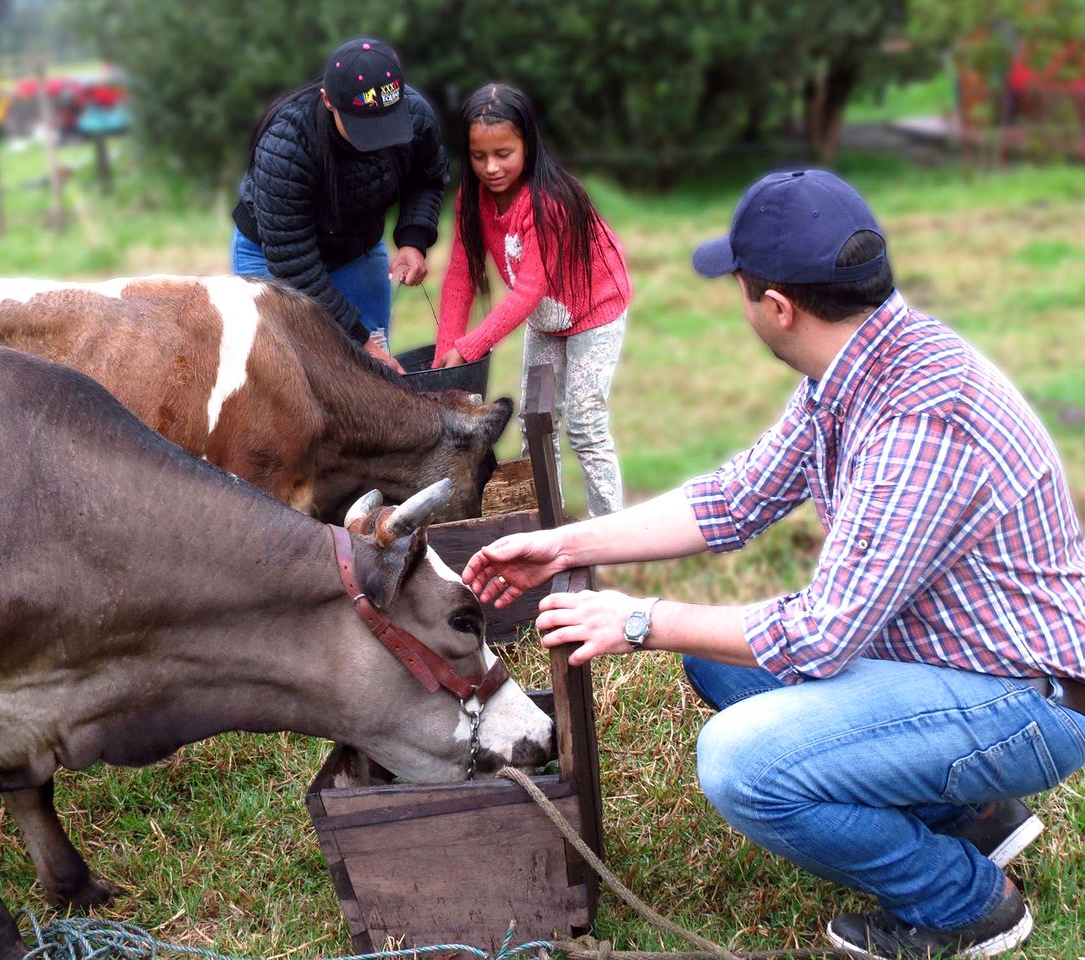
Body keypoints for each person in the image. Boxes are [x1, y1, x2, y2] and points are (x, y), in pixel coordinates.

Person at [462, 169, 1085, 959]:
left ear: (779, 308)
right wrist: (566, 545)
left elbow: (822, 636)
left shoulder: (919, 418)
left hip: (1025, 699)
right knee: (722, 667)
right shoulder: (858, 366)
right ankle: (971, 816)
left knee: (741, 763)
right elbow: (731, 499)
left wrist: (636, 621)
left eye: (742, 287)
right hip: (951, 655)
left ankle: (967, 903)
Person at [433, 83, 631, 517]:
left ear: (528, 144)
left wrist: (469, 347)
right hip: (546, 319)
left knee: (584, 425)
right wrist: (446, 353)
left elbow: (528, 290)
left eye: (503, 153)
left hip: (594, 311)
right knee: (535, 426)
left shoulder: (550, 203)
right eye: (478, 156)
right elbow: (461, 277)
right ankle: (548, 526)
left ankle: (611, 532)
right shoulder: (473, 199)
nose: (490, 167)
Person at [230, 38, 449, 370]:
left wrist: (413, 240)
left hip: (357, 250)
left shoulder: (416, 115)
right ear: (328, 101)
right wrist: (361, 343)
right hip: (275, 259)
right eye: (366, 127)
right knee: (289, 382)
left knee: (370, 384)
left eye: (387, 123)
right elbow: (294, 263)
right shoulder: (287, 143)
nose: (379, 141)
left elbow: (427, 178)